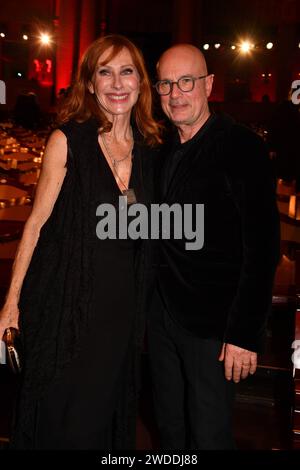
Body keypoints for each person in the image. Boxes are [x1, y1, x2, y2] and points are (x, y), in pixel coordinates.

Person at [0, 34, 161, 449]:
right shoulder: (67, 140)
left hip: (122, 315)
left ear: (140, 83)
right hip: (66, 305)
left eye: (127, 71)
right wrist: (12, 304)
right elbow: (35, 225)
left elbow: (152, 235)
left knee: (102, 423)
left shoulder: (149, 150)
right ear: (89, 84)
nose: (116, 82)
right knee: (61, 419)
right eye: (104, 72)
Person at [147, 44, 280, 449]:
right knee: (168, 427)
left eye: (186, 81)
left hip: (213, 326)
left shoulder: (241, 147)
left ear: (208, 85)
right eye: (167, 84)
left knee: (209, 434)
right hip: (160, 316)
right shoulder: (159, 147)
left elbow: (263, 249)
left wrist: (243, 333)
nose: (176, 93)